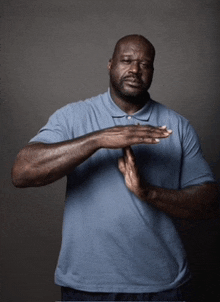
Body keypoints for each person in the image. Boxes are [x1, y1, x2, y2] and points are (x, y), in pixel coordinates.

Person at [11, 34, 219, 301]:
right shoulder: (73, 116)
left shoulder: (176, 126)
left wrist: (148, 193)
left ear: (153, 71)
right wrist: (98, 139)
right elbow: (22, 172)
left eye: (145, 64)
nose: (135, 69)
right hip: (87, 287)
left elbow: (210, 204)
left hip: (162, 287)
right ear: (110, 64)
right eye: (127, 60)